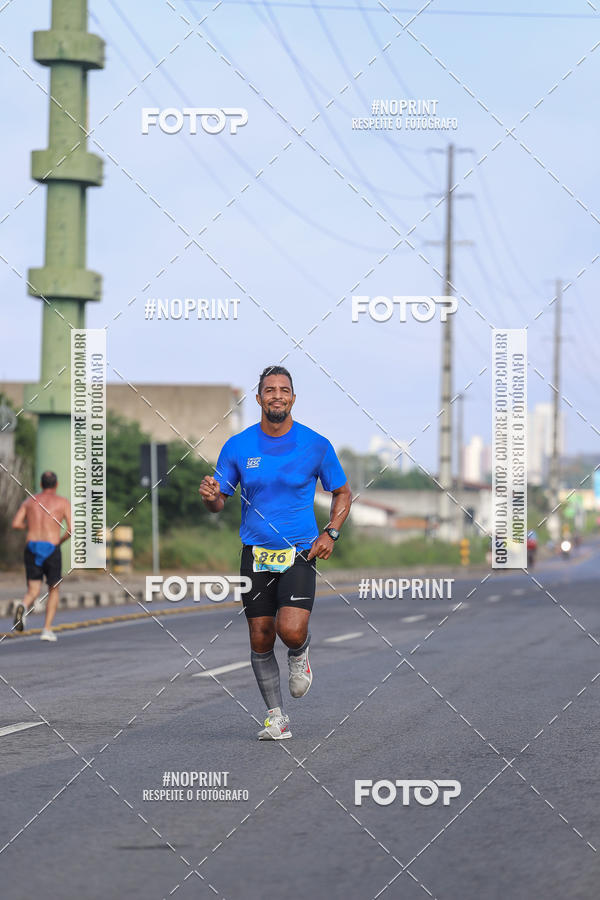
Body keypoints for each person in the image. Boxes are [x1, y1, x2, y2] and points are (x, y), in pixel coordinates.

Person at [199, 366, 351, 741]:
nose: (277, 396)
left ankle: (299, 654)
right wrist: (211, 497)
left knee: (290, 629)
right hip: (255, 553)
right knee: (261, 636)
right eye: (270, 390)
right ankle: (276, 717)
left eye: (284, 390)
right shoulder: (238, 447)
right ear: (259, 399)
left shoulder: (315, 445)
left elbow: (342, 493)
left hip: (300, 550)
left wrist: (331, 532)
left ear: (293, 398)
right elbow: (220, 501)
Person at [11, 471, 72, 641]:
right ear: (56, 485)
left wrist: (30, 526)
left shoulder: (30, 501)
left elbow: (16, 524)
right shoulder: (62, 502)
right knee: (53, 588)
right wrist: (59, 541)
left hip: (32, 546)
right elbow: (70, 530)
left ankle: (23, 605)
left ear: (41, 483)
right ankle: (46, 629)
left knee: (33, 590)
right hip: (51, 546)